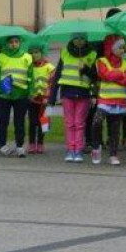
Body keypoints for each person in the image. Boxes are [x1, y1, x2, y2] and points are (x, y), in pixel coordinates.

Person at [50, 32, 97, 163]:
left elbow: (95, 75)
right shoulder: (65, 52)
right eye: (76, 38)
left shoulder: (92, 54)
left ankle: (78, 150)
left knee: (79, 123)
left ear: (86, 40)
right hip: (67, 93)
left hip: (83, 94)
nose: (79, 41)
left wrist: (86, 68)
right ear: (72, 39)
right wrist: (52, 97)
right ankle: (71, 150)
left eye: (82, 38)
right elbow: (57, 75)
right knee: (70, 123)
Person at [91, 34, 126, 165]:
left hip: (120, 101)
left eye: (124, 48)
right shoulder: (102, 61)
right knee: (96, 122)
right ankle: (96, 147)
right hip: (105, 100)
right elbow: (105, 74)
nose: (123, 50)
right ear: (112, 48)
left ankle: (113, 154)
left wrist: (115, 77)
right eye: (120, 47)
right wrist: (120, 74)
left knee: (115, 129)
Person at [0, 34, 33, 157]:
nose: (13, 44)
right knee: (3, 121)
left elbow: (31, 76)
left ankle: (20, 146)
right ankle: (2, 144)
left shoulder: (27, 57)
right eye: (11, 42)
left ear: (20, 43)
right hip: (4, 96)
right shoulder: (1, 57)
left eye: (16, 42)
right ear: (6, 43)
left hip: (21, 95)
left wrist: (31, 91)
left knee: (19, 122)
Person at [27, 45, 54, 154]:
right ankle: (32, 143)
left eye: (37, 52)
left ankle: (41, 143)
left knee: (44, 122)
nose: (34, 55)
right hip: (32, 99)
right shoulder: (28, 67)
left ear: (42, 53)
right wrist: (29, 94)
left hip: (45, 100)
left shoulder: (49, 67)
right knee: (32, 122)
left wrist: (48, 97)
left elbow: (52, 83)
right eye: (32, 53)